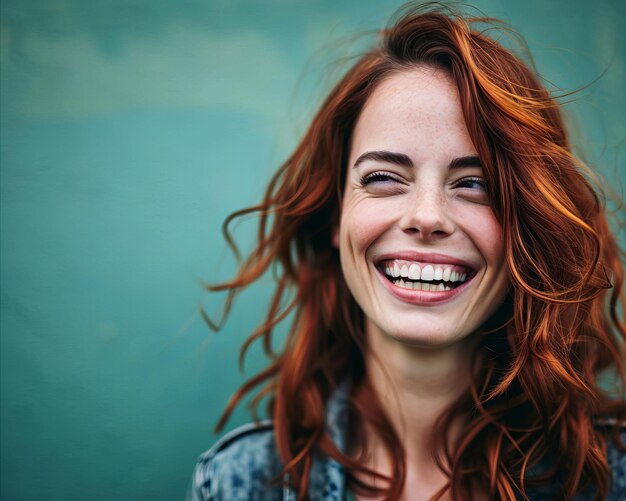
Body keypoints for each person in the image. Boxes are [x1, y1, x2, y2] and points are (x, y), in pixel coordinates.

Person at [188, 4, 626, 500]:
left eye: (476, 184)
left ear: (528, 225)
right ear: (335, 216)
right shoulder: (237, 483)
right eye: (382, 178)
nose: (427, 216)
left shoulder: (613, 477)